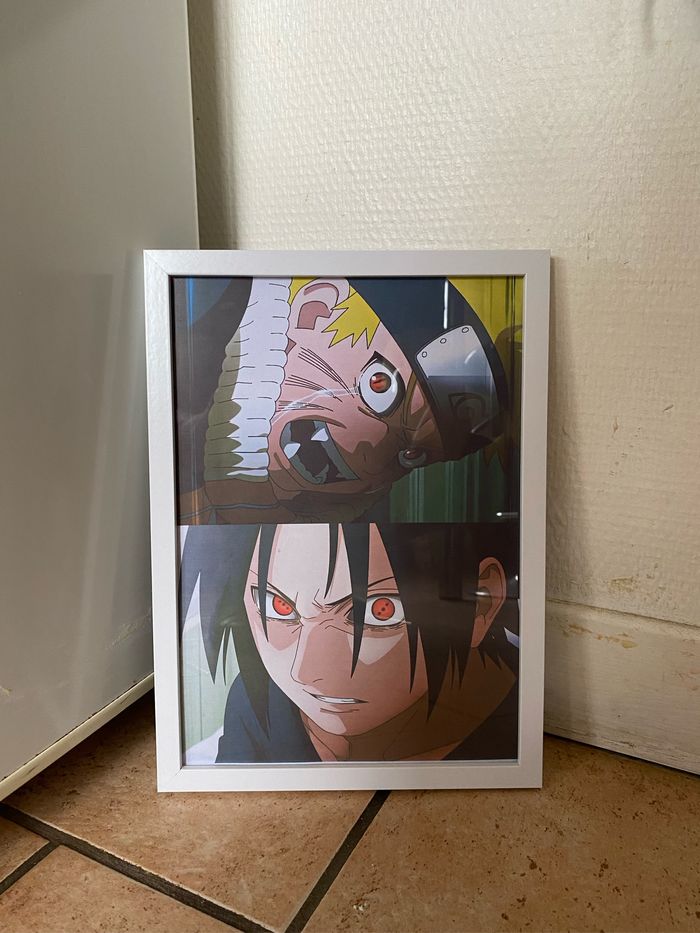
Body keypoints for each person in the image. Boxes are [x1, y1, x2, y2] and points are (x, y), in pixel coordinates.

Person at [175, 276, 509, 524]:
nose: (370, 455)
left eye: (411, 455)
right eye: (380, 386)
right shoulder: (189, 316)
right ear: (315, 309)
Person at [181, 522, 519, 763]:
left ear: (481, 602)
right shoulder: (262, 701)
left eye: (378, 611)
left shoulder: (513, 726)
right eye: (278, 606)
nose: (305, 672)